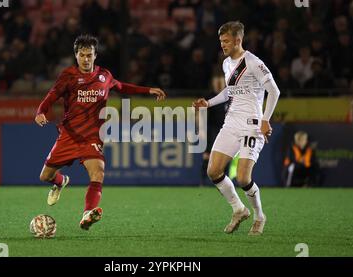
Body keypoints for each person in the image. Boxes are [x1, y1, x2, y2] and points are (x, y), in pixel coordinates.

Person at [35, 35, 166, 231]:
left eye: (89, 55)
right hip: (69, 136)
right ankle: (61, 182)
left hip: (93, 137)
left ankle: (88, 213)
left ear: (95, 56)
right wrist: (40, 112)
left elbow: (122, 87)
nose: (85, 59)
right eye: (81, 55)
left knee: (98, 172)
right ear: (76, 56)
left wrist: (148, 90)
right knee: (45, 176)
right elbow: (50, 97)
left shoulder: (105, 76)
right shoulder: (68, 77)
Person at [193, 21, 280, 235]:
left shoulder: (253, 62)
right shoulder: (226, 63)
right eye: (221, 41)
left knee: (242, 178)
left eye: (226, 41)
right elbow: (229, 92)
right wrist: (209, 103)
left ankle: (259, 216)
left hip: (252, 125)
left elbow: (274, 91)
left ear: (238, 40)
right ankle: (238, 209)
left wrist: (266, 119)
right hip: (231, 122)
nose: (222, 45)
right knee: (213, 170)